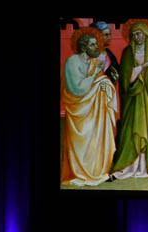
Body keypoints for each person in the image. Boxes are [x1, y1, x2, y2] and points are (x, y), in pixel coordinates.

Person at [60, 29, 119, 186]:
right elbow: (77, 90)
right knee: (81, 144)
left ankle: (98, 171)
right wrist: (95, 77)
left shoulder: (94, 63)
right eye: (92, 45)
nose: (97, 47)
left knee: (97, 140)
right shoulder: (72, 62)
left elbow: (102, 82)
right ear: (83, 47)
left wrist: (106, 87)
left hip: (95, 111)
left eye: (96, 44)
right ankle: (80, 174)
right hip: (78, 111)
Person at [111, 21, 148, 179]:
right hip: (133, 100)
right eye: (134, 34)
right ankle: (129, 166)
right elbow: (125, 78)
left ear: (146, 34)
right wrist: (142, 67)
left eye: (139, 33)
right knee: (131, 131)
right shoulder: (128, 52)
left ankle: (145, 166)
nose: (137, 37)